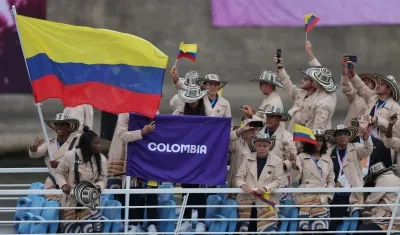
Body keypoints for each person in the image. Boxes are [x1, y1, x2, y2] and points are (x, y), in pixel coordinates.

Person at [107, 111, 158, 234]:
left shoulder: (155, 112)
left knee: (152, 191)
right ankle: (134, 224)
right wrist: (142, 132)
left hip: (150, 157)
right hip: (132, 157)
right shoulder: (124, 114)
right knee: (134, 190)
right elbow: (122, 135)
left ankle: (152, 224)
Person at [173, 84, 214, 233]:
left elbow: (216, 124)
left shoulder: (207, 111)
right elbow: (170, 122)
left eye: (194, 100)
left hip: (201, 155)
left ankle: (201, 221)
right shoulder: (182, 110)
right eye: (189, 100)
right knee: (186, 188)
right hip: (185, 155)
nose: (191, 103)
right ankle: (187, 219)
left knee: (199, 189)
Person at [56, 126, 107, 233]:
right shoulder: (70, 156)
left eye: (99, 142)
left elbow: (103, 179)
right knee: (70, 231)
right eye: (96, 143)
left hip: (91, 202)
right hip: (71, 201)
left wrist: (97, 188)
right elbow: (59, 173)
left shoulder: (101, 159)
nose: (99, 146)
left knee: (91, 230)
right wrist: (63, 185)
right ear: (87, 145)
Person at [324, 122, 372, 232]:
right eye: (340, 134)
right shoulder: (329, 151)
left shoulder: (356, 148)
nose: (343, 136)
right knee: (336, 223)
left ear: (349, 136)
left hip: (353, 193)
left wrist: (365, 135)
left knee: (355, 224)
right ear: (335, 137)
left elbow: (367, 150)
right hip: (336, 194)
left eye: (345, 134)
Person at [236, 133, 283, 233]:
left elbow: (278, 181)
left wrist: (266, 188)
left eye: (264, 146)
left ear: (269, 146)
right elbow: (239, 177)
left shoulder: (277, 160)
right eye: (259, 145)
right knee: (246, 230)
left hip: (266, 202)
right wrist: (243, 185)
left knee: (266, 230)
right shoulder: (247, 158)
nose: (262, 148)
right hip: (247, 200)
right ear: (255, 145)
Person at [344, 56, 400, 139]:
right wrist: (352, 73)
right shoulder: (373, 98)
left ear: (389, 90)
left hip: (382, 145)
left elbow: (396, 131)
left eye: (382, 84)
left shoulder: (395, 107)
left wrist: (377, 120)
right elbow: (361, 87)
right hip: (366, 141)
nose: (378, 86)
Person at [291, 129, 335, 234]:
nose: (319, 143)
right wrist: (294, 165)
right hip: (306, 196)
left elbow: (331, 180)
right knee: (305, 229)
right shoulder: (301, 156)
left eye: (321, 140)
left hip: (322, 198)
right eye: (316, 140)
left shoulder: (327, 159)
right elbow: (297, 175)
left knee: (321, 229)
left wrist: (329, 195)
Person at [29, 113, 80, 202]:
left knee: (68, 206)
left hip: (70, 182)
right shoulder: (50, 142)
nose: (59, 127)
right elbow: (34, 154)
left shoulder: (76, 142)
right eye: (56, 124)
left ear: (68, 126)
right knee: (53, 205)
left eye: (62, 124)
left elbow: (81, 162)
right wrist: (34, 146)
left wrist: (59, 165)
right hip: (52, 182)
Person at [275, 40, 319, 133]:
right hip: (293, 137)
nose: (302, 80)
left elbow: (320, 72)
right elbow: (287, 84)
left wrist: (310, 53)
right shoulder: (301, 93)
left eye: (305, 79)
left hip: (307, 139)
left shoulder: (319, 99)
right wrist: (280, 67)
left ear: (314, 83)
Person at [259, 105, 297, 190]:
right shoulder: (258, 134)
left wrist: (275, 165)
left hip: (280, 180)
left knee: (278, 203)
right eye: (267, 116)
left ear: (279, 119)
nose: (268, 119)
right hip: (260, 178)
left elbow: (292, 161)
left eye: (272, 116)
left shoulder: (287, 137)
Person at [357, 162, 400, 234]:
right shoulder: (396, 178)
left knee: (360, 230)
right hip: (396, 216)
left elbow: (372, 200)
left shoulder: (383, 180)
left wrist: (363, 206)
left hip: (387, 218)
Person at [228, 117, 262, 188]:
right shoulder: (236, 143)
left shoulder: (261, 146)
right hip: (238, 187)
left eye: (256, 129)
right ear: (244, 131)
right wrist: (240, 129)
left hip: (256, 187)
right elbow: (226, 140)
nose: (254, 131)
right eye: (251, 129)